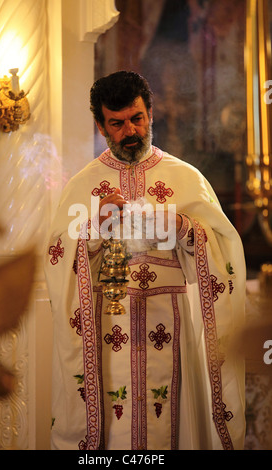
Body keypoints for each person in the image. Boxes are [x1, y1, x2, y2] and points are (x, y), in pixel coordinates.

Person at [44, 71, 246, 450]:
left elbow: (225, 249)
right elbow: (56, 255)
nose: (129, 131)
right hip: (108, 321)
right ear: (101, 125)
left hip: (171, 323)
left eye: (137, 118)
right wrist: (91, 228)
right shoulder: (83, 185)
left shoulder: (185, 177)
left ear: (150, 113)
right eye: (117, 124)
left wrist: (184, 227)